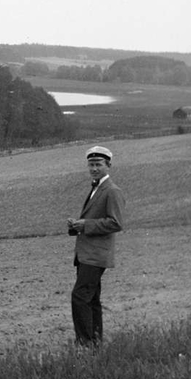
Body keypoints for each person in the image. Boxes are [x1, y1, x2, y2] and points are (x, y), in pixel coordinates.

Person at [66, 145, 124, 347]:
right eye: (91, 165)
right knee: (91, 299)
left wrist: (86, 225)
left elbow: (116, 223)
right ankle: (95, 344)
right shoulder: (96, 188)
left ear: (108, 165)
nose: (94, 169)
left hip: (96, 255)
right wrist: (76, 225)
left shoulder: (112, 191)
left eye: (98, 164)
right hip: (87, 254)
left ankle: (85, 344)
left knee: (80, 297)